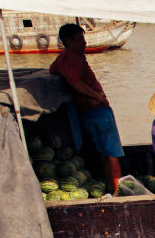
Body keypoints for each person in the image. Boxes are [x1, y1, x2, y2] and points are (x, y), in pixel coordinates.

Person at [50, 23, 124, 192]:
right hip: (98, 110)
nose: (84, 43)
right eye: (80, 39)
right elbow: (75, 82)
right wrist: (97, 96)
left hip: (87, 113)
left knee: (104, 153)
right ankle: (119, 192)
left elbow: (51, 70)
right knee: (113, 154)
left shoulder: (62, 59)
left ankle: (112, 188)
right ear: (68, 40)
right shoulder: (75, 58)